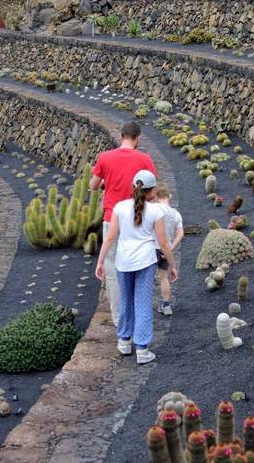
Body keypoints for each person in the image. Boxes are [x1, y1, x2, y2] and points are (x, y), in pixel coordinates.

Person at [95, 170, 178, 364]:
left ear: (134, 186)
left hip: (123, 262)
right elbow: (163, 243)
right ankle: (142, 349)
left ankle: (124, 341)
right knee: (142, 302)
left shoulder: (120, 207)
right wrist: (172, 265)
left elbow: (109, 237)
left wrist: (100, 262)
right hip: (145, 262)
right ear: (152, 192)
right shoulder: (156, 211)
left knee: (126, 300)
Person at [90, 121, 157, 326]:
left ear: (121, 136)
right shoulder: (144, 159)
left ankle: (120, 320)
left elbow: (93, 185)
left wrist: (104, 184)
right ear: (137, 138)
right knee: (140, 268)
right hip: (138, 220)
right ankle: (138, 316)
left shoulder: (105, 157)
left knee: (113, 270)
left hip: (112, 219)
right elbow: (152, 192)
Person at [154, 183, 184, 316]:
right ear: (169, 196)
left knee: (145, 278)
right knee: (163, 277)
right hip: (166, 250)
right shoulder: (176, 214)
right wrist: (171, 247)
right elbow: (180, 233)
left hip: (151, 247)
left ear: (155, 196)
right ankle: (166, 305)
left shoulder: (152, 208)